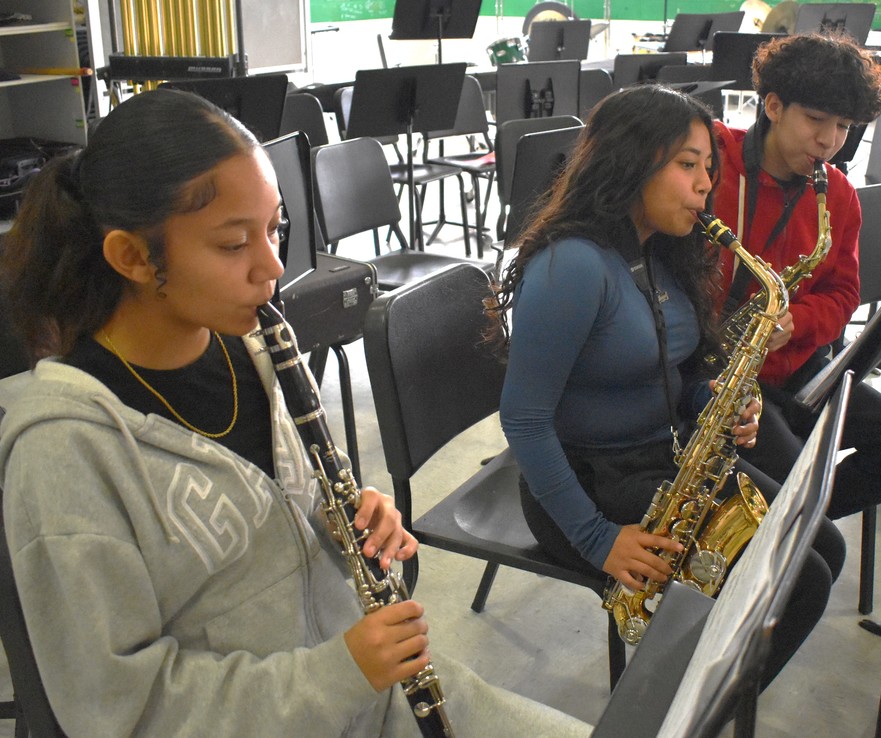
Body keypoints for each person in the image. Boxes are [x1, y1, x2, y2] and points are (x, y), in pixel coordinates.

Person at [0, 88, 590, 737]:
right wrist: (339, 674)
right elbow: (121, 712)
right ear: (134, 258)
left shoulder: (255, 349)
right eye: (232, 245)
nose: (273, 268)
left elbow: (280, 517)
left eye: (275, 227)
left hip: (362, 697)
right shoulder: (65, 452)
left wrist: (343, 525)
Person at [493, 84, 845, 685]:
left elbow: (677, 371)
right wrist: (598, 539)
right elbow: (523, 420)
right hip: (588, 483)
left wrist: (718, 402)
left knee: (825, 546)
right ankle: (684, 714)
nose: (707, 183)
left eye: (709, 166)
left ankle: (700, 677)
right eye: (688, 165)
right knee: (801, 581)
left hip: (666, 456)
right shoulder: (571, 266)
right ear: (630, 162)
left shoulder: (664, 251)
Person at [712, 32, 881, 519]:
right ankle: (784, 529)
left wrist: (797, 323)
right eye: (816, 120)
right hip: (721, 376)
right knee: (785, 475)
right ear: (775, 105)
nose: (830, 142)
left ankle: (793, 531)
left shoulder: (838, 194)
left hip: (801, 370)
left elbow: (844, 292)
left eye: (844, 126)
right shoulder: (715, 163)